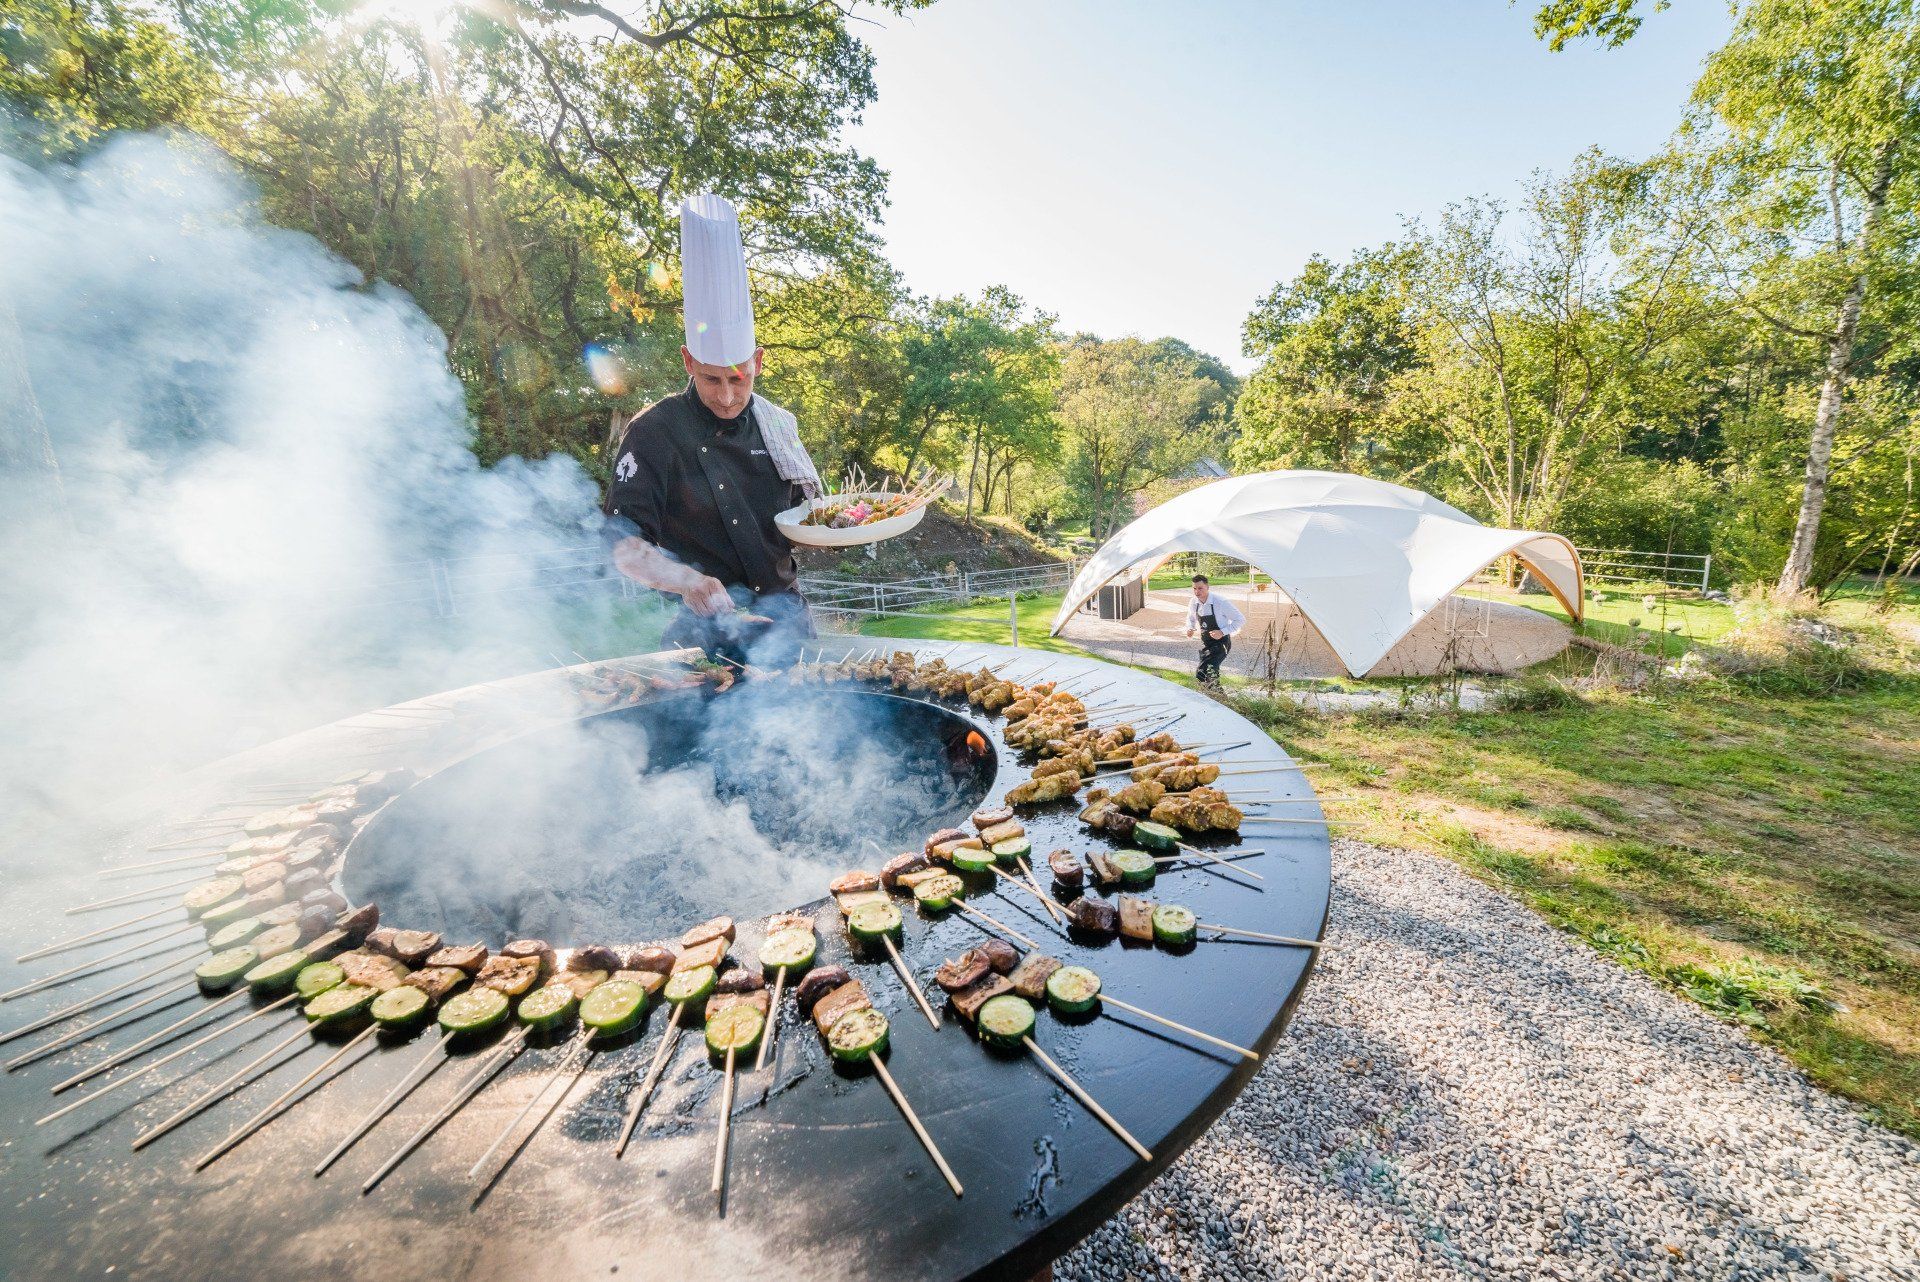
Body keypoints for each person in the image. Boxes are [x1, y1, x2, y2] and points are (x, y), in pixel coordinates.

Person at [604, 194, 822, 668]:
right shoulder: (654, 432)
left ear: (758, 362)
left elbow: (807, 519)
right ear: (688, 361)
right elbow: (621, 543)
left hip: (788, 628)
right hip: (704, 637)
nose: (726, 395)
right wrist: (686, 581)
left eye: (738, 378)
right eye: (711, 379)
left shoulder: (778, 426)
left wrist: (841, 525)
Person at [1182, 574, 1244, 685]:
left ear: (1208, 587)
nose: (1197, 592)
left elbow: (1240, 619)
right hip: (1206, 644)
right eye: (1194, 588)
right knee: (1212, 674)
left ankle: (1212, 695)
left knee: (1202, 672)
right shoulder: (1193, 602)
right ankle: (1216, 697)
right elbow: (1190, 618)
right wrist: (1190, 628)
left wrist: (1222, 632)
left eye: (1200, 588)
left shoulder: (1221, 602)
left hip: (1221, 644)